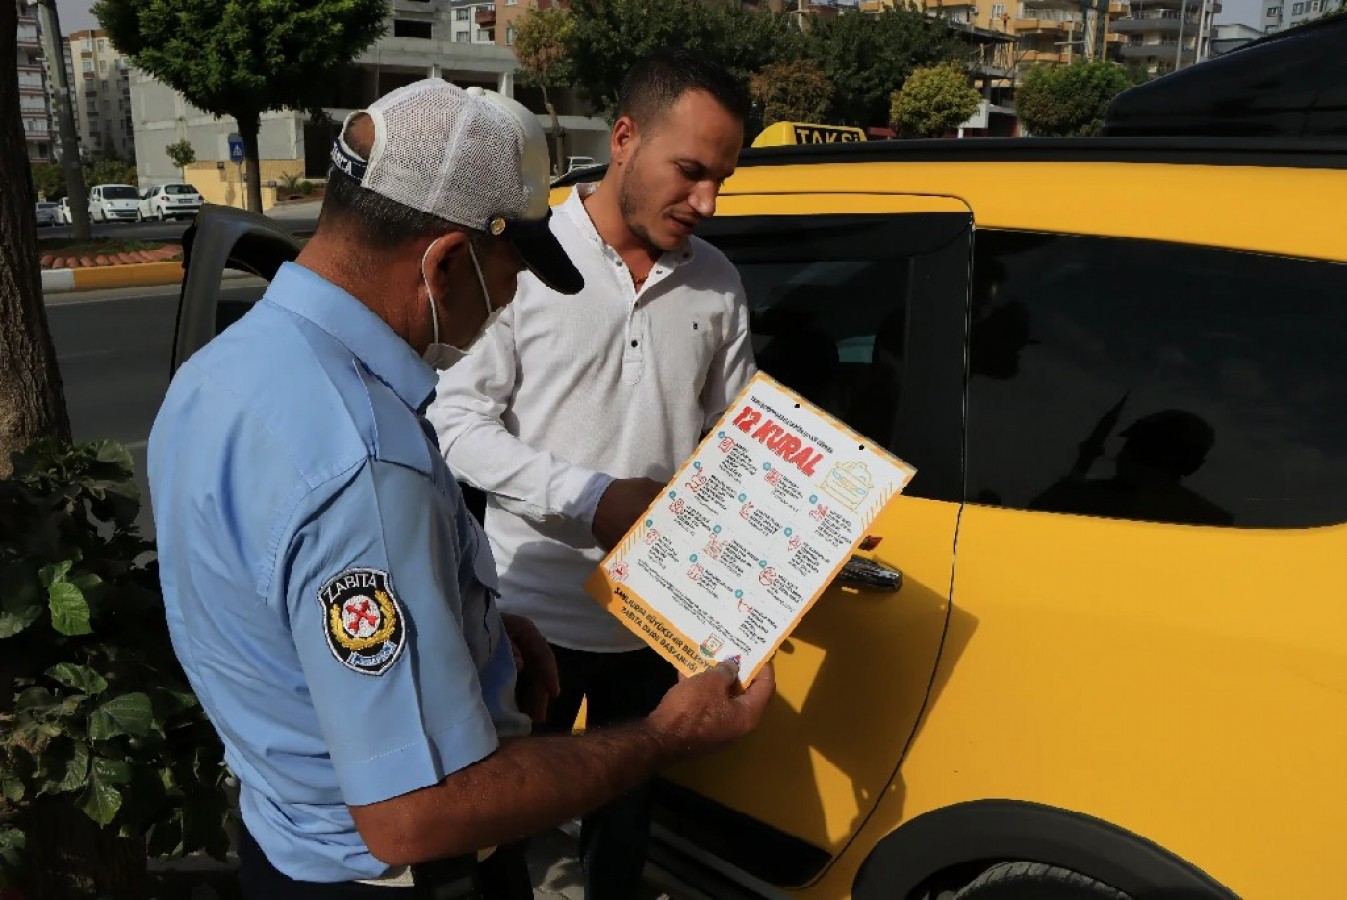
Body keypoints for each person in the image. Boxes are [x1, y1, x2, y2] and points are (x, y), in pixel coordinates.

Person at [147, 78, 773, 900]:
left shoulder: (224, 372)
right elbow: (412, 815)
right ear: (444, 261)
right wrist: (660, 738)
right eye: (515, 267)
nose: (515, 294)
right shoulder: (366, 466)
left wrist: (464, 621)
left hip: (284, 839)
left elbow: (284, 605)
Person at [427, 50, 756, 899]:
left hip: (654, 621)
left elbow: (735, 439)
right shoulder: (526, 261)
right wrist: (588, 496)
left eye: (721, 178)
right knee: (502, 826)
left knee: (624, 825)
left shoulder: (717, 285)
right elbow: (457, 422)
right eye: (689, 172)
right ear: (622, 139)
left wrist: (786, 527)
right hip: (526, 612)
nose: (706, 202)